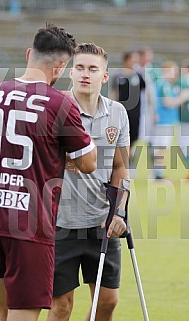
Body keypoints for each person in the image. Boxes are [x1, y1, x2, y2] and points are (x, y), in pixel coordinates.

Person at [0, 23, 97, 321]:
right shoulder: (60, 104)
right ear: (60, 67)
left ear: (29, 54)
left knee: (0, 312)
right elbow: (88, 163)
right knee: (22, 316)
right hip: (29, 226)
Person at [47, 43, 130, 321]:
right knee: (61, 307)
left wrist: (118, 212)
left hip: (101, 226)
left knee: (106, 303)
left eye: (93, 69)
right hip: (60, 225)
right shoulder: (55, 109)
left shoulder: (117, 113)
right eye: (80, 68)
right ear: (71, 73)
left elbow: (120, 168)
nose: (86, 74)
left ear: (104, 77)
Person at [150, 60, 189, 180]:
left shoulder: (164, 84)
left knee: (162, 148)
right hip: (164, 120)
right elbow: (168, 102)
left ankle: (157, 174)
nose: (176, 75)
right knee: (161, 148)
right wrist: (183, 98)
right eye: (174, 71)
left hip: (166, 120)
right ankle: (157, 176)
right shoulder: (164, 84)